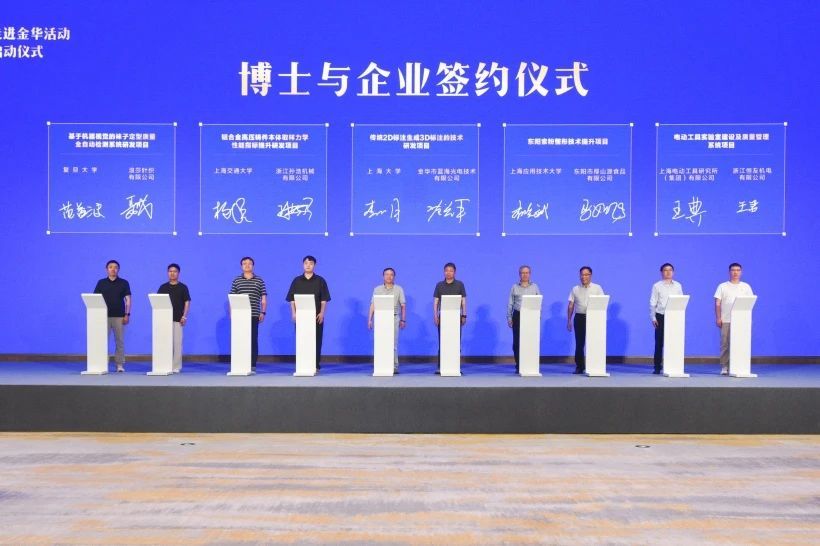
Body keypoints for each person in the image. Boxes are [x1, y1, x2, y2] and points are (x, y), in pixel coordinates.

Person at [286, 255, 331, 371]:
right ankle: (302, 363)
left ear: (314, 265)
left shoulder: (320, 280)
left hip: (316, 316)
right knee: (301, 340)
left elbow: (324, 299)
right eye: (306, 263)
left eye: (311, 263)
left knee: (316, 340)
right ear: (303, 265)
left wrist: (322, 313)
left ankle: (315, 364)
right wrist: (294, 313)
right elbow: (291, 299)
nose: (308, 265)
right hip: (301, 316)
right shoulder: (296, 281)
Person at [714, 262, 754, 375]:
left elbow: (750, 302)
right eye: (733, 270)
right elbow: (717, 303)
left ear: (741, 272)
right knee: (725, 344)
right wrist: (718, 317)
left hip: (741, 320)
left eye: (738, 270)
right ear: (729, 272)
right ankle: (724, 366)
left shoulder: (746, 287)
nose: (735, 272)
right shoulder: (722, 286)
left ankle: (739, 365)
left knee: (740, 343)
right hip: (726, 319)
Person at [93, 260, 131, 373]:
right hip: (103, 316)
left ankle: (119, 364)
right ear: (106, 269)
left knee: (119, 341)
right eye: (110, 267)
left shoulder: (124, 283)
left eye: (115, 267)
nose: (113, 269)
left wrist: (127, 314)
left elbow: (128, 299)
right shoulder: (101, 283)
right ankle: (102, 364)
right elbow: (95, 299)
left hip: (119, 316)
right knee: (102, 341)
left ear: (118, 269)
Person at [230, 256, 267, 372]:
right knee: (240, 339)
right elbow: (232, 298)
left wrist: (263, 312)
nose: (247, 265)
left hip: (254, 314)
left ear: (253, 266)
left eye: (249, 263)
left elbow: (263, 298)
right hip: (239, 315)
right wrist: (232, 313)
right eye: (244, 263)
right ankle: (240, 362)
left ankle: (252, 363)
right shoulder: (236, 280)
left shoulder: (259, 280)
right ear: (241, 266)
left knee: (253, 339)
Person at [368, 267, 407, 374]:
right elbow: (373, 304)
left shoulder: (399, 289)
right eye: (386, 274)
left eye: (391, 275)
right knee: (380, 342)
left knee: (393, 343)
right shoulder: (377, 289)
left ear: (394, 277)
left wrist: (403, 320)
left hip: (394, 317)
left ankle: (394, 366)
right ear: (383, 276)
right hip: (380, 318)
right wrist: (370, 319)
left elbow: (403, 305)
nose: (389, 276)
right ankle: (380, 365)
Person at [566, 266, 604, 374]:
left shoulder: (597, 288)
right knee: (579, 343)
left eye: (586, 274)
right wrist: (569, 320)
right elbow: (571, 305)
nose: (584, 277)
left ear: (590, 276)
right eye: (582, 275)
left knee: (594, 342)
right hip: (580, 317)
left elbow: (602, 302)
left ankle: (595, 365)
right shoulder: (575, 289)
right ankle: (580, 366)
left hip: (594, 317)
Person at [433, 262, 467, 374]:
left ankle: (456, 366)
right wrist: (435, 315)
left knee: (456, 342)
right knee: (442, 341)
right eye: (446, 270)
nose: (448, 272)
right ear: (444, 272)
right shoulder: (439, 285)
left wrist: (464, 315)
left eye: (451, 271)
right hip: (443, 317)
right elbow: (436, 301)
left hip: (456, 317)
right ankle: (441, 366)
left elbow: (463, 301)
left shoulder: (460, 284)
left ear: (454, 272)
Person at [649, 263, 683, 374]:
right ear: (661, 272)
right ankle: (657, 366)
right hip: (661, 316)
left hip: (674, 316)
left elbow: (681, 301)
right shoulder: (657, 286)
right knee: (659, 342)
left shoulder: (678, 285)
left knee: (674, 341)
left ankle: (673, 365)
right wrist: (653, 317)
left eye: (670, 270)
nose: (668, 272)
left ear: (673, 272)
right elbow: (653, 302)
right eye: (665, 270)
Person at [157, 263, 191, 374]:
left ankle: (176, 366)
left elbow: (187, 302)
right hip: (164, 320)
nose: (172, 273)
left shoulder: (183, 287)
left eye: (175, 271)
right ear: (167, 273)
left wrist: (184, 316)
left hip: (178, 319)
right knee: (165, 343)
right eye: (170, 271)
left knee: (177, 344)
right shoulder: (163, 287)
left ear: (178, 273)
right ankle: (165, 364)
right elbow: (158, 302)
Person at [507, 265, 541, 373]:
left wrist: (538, 316)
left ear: (530, 274)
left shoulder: (535, 287)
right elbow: (510, 303)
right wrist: (509, 317)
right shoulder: (514, 287)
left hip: (531, 316)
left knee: (530, 341)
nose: (525, 275)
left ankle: (530, 364)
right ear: (519, 274)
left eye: (527, 273)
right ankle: (519, 365)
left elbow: (539, 302)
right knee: (517, 342)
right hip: (518, 315)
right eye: (522, 273)